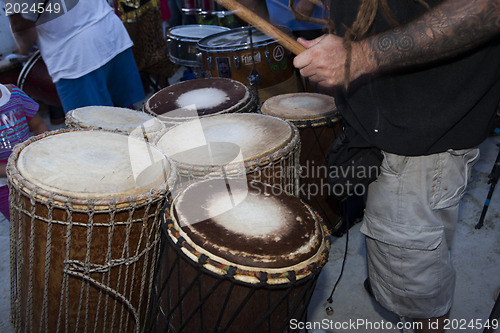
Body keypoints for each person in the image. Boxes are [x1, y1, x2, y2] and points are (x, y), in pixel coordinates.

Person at [293, 0, 500, 332]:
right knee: (403, 250)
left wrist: (361, 56)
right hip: (385, 121)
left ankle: (413, 299)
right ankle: (391, 272)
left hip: (419, 136)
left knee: (417, 290)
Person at [6, 0, 145, 113]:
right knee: (131, 116)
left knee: (93, 132)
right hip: (111, 34)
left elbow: (21, 25)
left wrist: (20, 51)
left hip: (76, 59)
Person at [0, 83, 48, 221]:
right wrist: (19, 169)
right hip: (4, 186)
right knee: (24, 226)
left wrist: (46, 152)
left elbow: (38, 125)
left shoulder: (13, 93)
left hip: (35, 171)